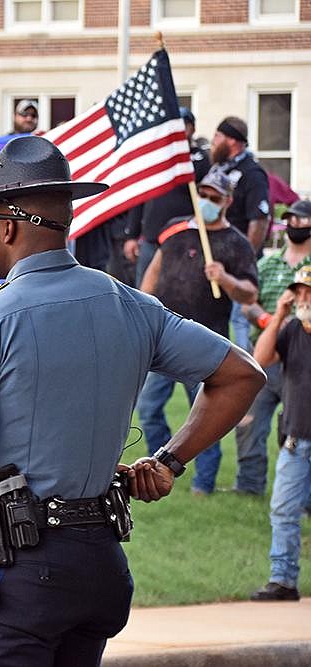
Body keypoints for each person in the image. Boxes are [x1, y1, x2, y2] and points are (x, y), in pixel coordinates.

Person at [0, 135, 265, 665]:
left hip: (18, 574)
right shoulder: (131, 305)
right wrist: (170, 460)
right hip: (100, 563)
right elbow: (242, 375)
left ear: (9, 226)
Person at [138, 170, 259, 495]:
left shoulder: (236, 243)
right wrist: (142, 309)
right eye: (202, 194)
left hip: (205, 342)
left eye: (214, 197)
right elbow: (154, 271)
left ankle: (203, 484)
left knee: (206, 417)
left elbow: (250, 293)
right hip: (162, 337)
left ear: (227, 201)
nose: (206, 201)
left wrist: (226, 279)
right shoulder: (176, 229)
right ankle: (158, 464)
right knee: (148, 408)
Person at [235, 200, 311, 496]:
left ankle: (302, 494)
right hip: (264, 353)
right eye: (291, 219)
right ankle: (249, 487)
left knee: (300, 429)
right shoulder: (266, 263)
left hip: (302, 357)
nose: (295, 225)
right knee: (249, 422)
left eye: (302, 220)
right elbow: (247, 302)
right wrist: (268, 319)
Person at [249, 267, 311, 601]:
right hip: (295, 441)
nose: (303, 298)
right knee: (284, 512)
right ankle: (283, 581)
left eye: (308, 292)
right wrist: (279, 315)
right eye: (299, 292)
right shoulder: (290, 330)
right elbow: (261, 358)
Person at [122, 107, 211, 286]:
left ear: (192, 128)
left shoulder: (200, 158)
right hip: (151, 239)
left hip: (183, 239)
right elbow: (139, 196)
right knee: (145, 290)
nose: (177, 130)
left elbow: (206, 196)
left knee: (178, 289)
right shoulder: (154, 156)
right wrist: (131, 236)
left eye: (182, 125)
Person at [208, 116, 271, 351]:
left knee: (241, 319)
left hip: (239, 266)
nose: (213, 142)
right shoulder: (218, 170)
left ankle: (249, 373)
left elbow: (259, 221)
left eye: (218, 136)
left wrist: (244, 260)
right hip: (215, 263)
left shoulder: (252, 173)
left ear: (232, 140)